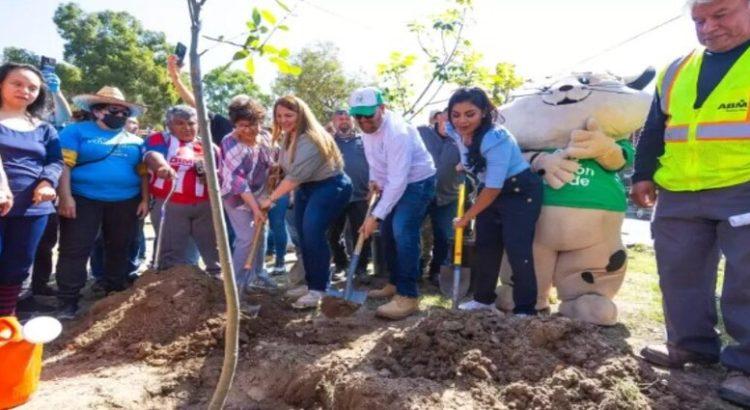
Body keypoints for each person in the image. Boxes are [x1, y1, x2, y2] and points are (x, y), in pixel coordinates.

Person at [630, 0, 750, 405]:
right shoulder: (676, 69)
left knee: (746, 277)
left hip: (743, 184)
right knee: (679, 270)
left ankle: (746, 365)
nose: (708, 27)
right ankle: (691, 344)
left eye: (721, 14)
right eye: (699, 19)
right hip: (679, 189)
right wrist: (643, 174)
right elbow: (653, 129)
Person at [55, 86, 149, 319]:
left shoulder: (136, 141)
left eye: (124, 112)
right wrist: (66, 197)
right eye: (113, 110)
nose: (120, 115)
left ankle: (113, 290)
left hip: (126, 201)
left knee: (119, 246)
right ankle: (68, 299)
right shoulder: (75, 132)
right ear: (97, 111)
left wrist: (145, 199)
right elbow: (64, 166)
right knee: (75, 248)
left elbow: (143, 173)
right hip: (83, 199)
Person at [447, 87, 542, 314]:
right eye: (456, 114)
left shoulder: (495, 138)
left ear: (483, 113)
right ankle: (483, 300)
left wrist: (465, 218)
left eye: (470, 114)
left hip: (519, 192)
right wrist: (465, 163)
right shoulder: (453, 129)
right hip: (490, 189)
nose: (462, 121)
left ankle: (526, 309)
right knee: (486, 246)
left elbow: (493, 188)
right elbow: (468, 152)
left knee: (517, 250)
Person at [258, 96, 352, 309]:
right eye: (279, 116)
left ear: (301, 115)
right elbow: (288, 168)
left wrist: (270, 199)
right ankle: (311, 283)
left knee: (313, 232)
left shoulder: (311, 138)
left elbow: (294, 177)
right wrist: (277, 168)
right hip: (307, 188)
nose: (283, 120)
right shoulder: (288, 136)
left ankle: (318, 289)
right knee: (303, 234)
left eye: (289, 115)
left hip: (330, 185)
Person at [351, 87, 436, 320]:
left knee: (402, 230)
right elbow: (375, 160)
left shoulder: (397, 132)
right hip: (393, 181)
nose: (363, 121)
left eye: (368, 115)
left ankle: (408, 295)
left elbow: (399, 181)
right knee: (387, 233)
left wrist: (375, 216)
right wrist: (374, 180)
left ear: (382, 108)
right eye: (358, 116)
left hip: (417, 183)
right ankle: (395, 282)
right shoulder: (367, 130)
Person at [0, 63, 63, 316]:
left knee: (17, 268)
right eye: (17, 83)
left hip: (32, 209)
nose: (25, 90)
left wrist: (48, 182)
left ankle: (6, 323)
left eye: (33, 87)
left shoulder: (44, 128)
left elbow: (56, 161)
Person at [142, 105, 221, 276]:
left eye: (192, 123)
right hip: (170, 204)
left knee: (214, 249)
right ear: (169, 126)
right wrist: (162, 166)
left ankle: (218, 286)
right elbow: (151, 155)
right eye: (180, 123)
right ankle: (169, 289)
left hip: (204, 206)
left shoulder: (209, 146)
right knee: (171, 252)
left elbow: (223, 172)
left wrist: (213, 175)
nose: (187, 127)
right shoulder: (160, 139)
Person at [220, 95, 276, 289]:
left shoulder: (267, 138)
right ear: (234, 125)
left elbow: (272, 164)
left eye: (253, 124)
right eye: (242, 125)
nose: (248, 130)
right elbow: (238, 181)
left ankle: (257, 275)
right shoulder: (230, 143)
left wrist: (275, 171)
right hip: (236, 197)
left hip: (260, 191)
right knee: (246, 238)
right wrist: (255, 208)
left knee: (261, 233)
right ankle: (235, 286)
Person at [417, 109, 462, 284]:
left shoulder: (461, 140)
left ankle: (437, 271)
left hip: (448, 197)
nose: (449, 126)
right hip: (421, 194)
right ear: (438, 119)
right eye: (446, 120)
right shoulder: (422, 133)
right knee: (414, 232)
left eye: (453, 122)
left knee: (444, 235)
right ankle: (416, 269)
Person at [326, 108, 371, 277]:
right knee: (332, 234)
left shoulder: (365, 140)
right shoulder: (328, 142)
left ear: (352, 121)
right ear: (333, 122)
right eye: (339, 119)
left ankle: (361, 269)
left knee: (362, 233)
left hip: (360, 195)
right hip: (336, 196)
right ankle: (341, 264)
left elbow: (374, 163)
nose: (343, 121)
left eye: (346, 118)